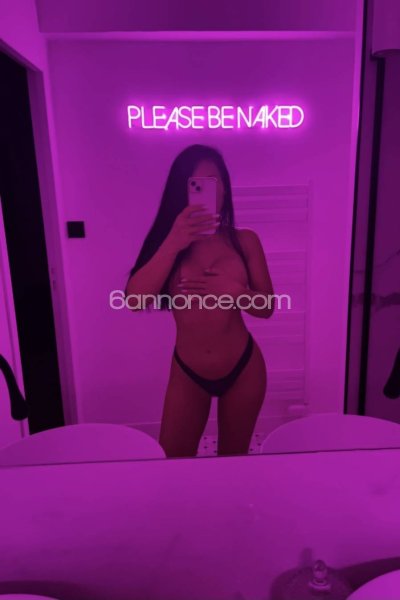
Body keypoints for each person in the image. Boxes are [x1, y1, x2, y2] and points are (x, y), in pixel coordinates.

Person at [125, 144, 274, 457]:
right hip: (187, 373)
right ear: (181, 191)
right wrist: (173, 242)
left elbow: (267, 308)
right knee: (173, 460)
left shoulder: (245, 240)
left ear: (225, 189)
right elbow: (134, 300)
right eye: (196, 184)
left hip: (244, 368)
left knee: (233, 461)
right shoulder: (167, 243)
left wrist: (237, 293)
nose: (209, 191)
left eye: (214, 182)